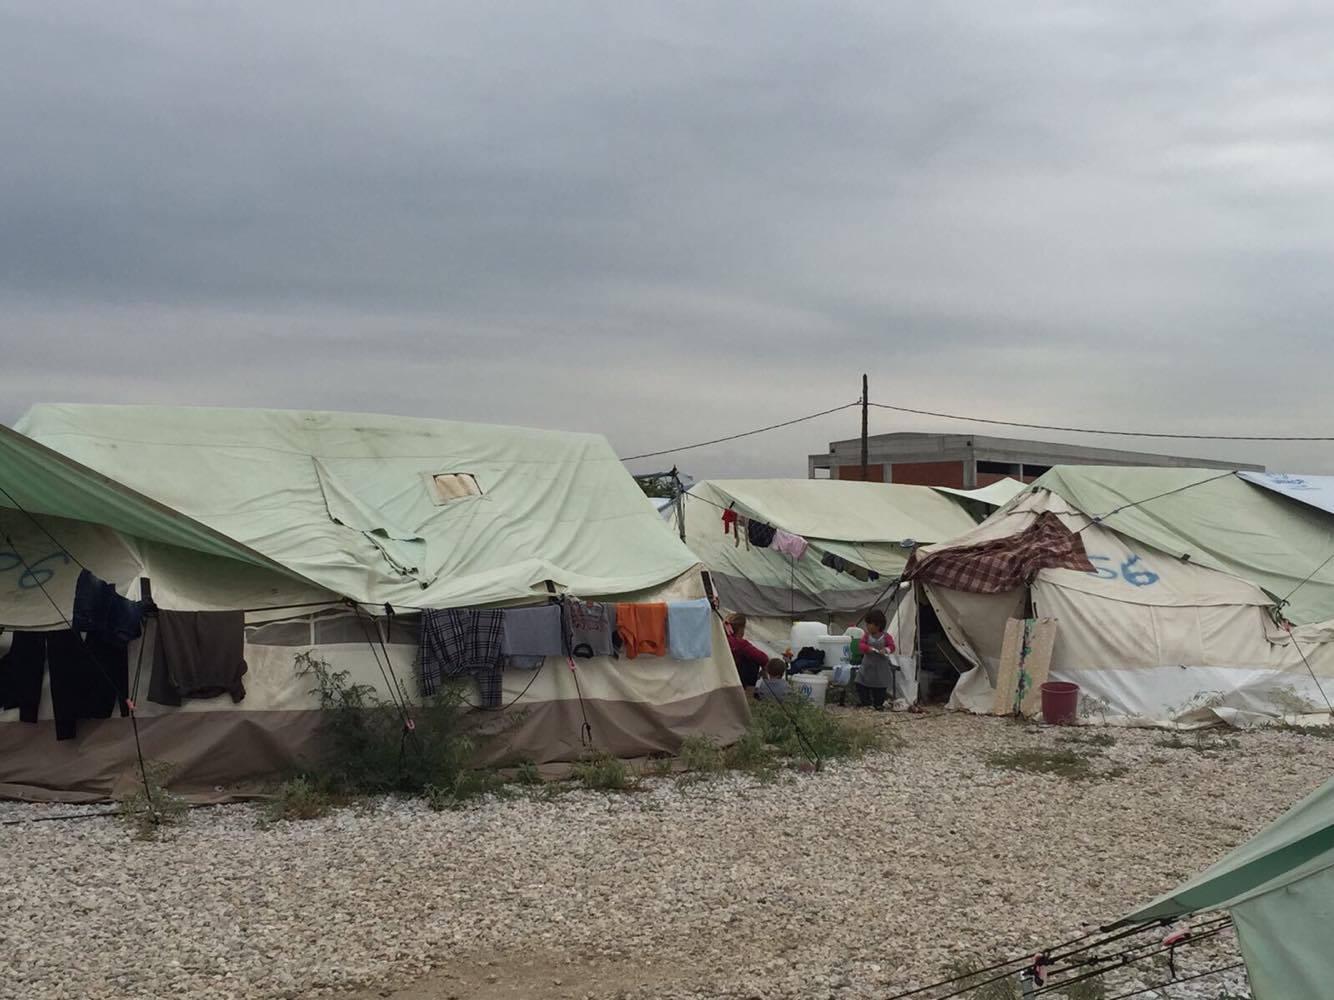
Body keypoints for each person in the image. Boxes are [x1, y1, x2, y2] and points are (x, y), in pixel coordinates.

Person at [855, 609, 896, 711]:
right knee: (861, 684)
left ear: (878, 625)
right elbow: (861, 645)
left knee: (879, 687)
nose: (868, 626)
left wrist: (885, 650)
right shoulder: (866, 636)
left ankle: (878, 704)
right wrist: (867, 648)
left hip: (880, 668)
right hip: (867, 667)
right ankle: (866, 702)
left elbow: (892, 646)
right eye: (867, 624)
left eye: (870, 624)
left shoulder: (886, 637)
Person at [725, 613, 768, 690]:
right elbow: (764, 658)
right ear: (741, 628)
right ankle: (749, 693)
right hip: (738, 680)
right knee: (752, 661)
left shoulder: (723, 639)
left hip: (723, 676)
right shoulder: (740, 643)